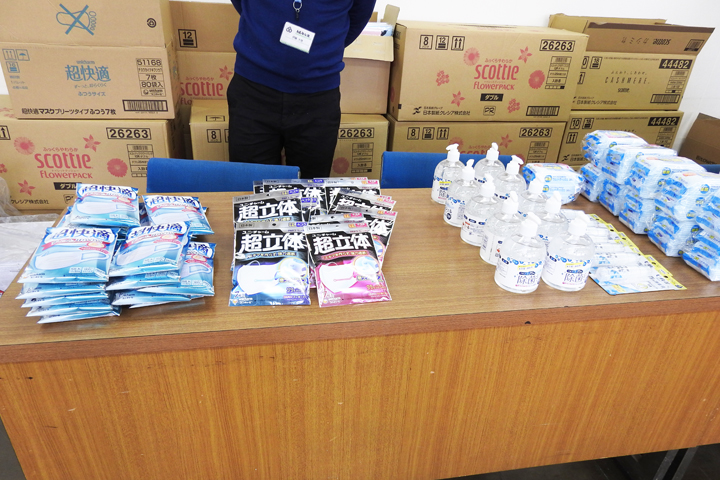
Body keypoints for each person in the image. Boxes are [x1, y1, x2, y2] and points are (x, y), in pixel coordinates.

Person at [228, 0, 376, 179]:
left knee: (311, 190)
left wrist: (322, 49)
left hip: (318, 97)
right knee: (250, 186)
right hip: (252, 90)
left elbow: (359, 14)